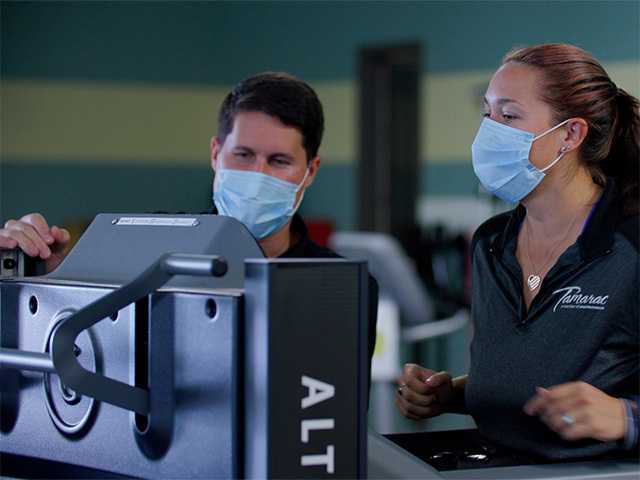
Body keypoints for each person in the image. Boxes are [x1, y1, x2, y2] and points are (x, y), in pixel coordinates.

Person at [0, 72, 378, 384]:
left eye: (278, 161)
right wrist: (43, 268)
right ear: (216, 154)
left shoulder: (339, 287)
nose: (257, 175)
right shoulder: (152, 247)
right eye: (243, 155)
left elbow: (325, 428)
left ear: (309, 171)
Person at [396, 44, 639, 460]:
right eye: (487, 114)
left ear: (570, 134)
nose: (490, 130)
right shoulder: (492, 243)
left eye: (509, 116)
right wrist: (449, 393)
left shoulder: (630, 246)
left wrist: (626, 418)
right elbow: (523, 372)